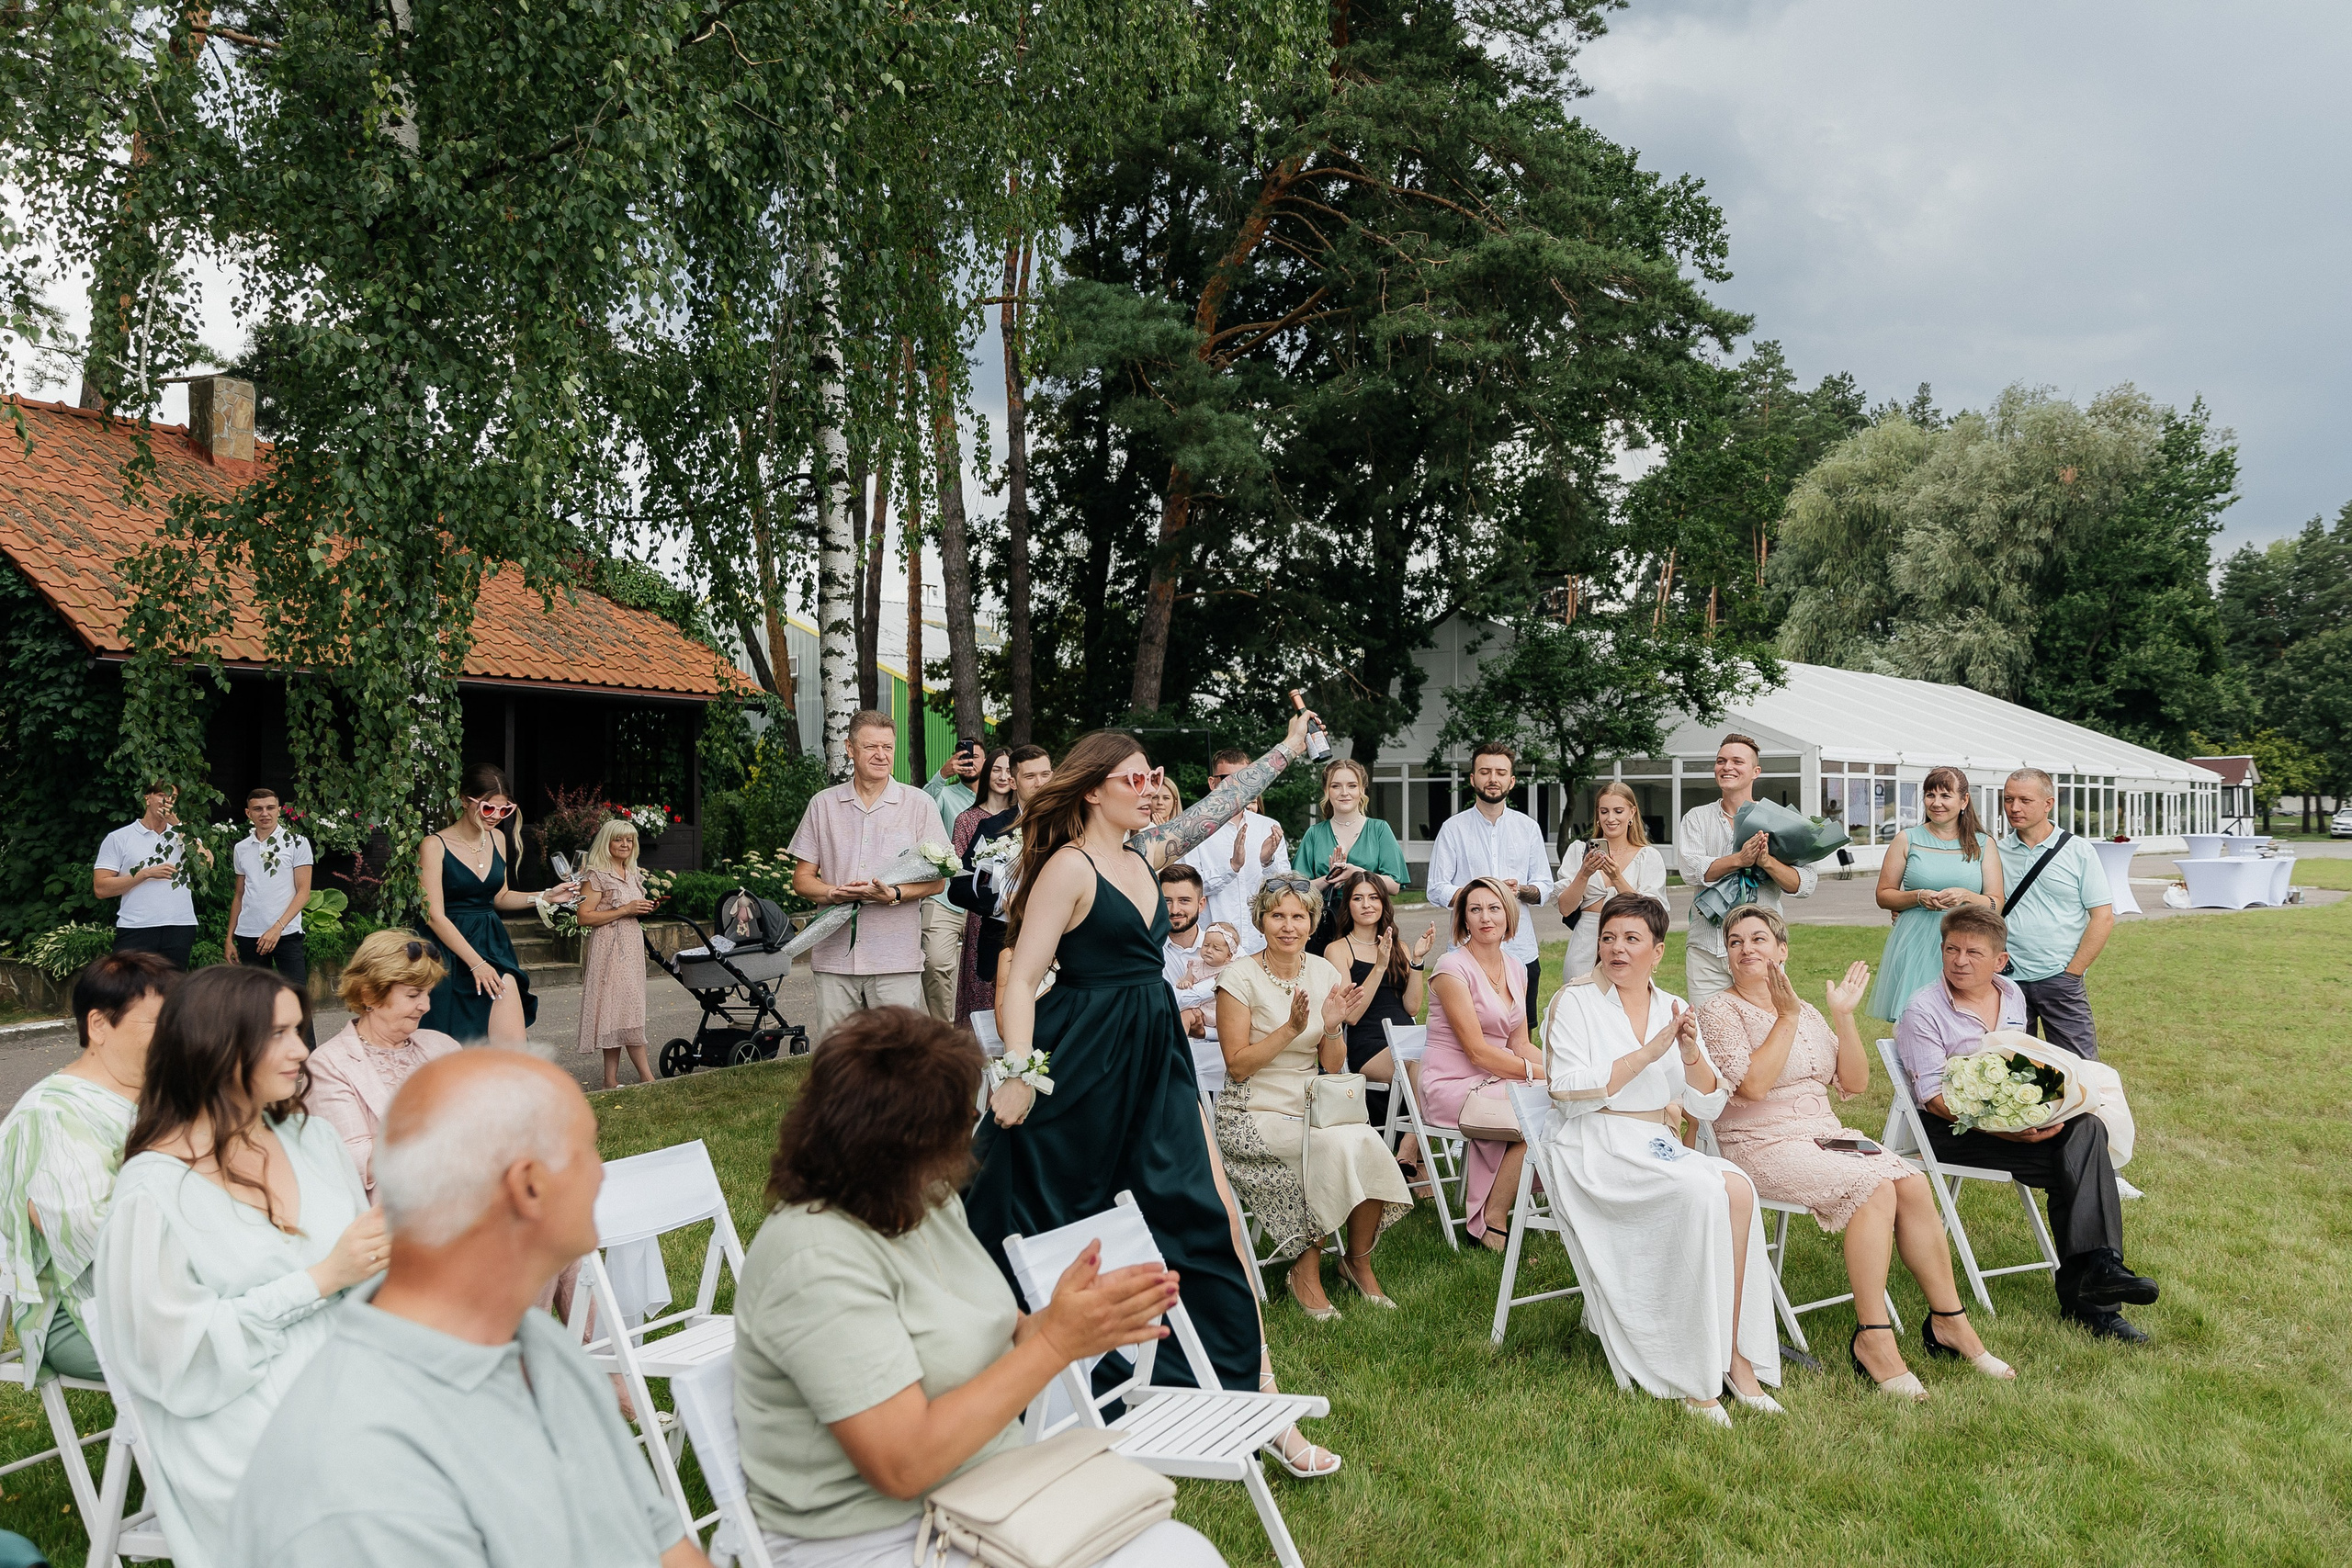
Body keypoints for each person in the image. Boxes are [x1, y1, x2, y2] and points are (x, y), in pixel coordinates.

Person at [966, 713, 1338, 1477]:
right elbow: (1022, 980)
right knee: (1036, 1213)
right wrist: (1019, 1072)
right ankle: (1021, 1389)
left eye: (1154, 776)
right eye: (1135, 778)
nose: (1151, 788)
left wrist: (1286, 747)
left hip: (1152, 1057)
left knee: (1208, 1213)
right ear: (1093, 789)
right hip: (1080, 1063)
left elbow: (1221, 807)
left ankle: (1256, 1396)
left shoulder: (1148, 852)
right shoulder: (1068, 868)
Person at [733, 1009, 1225, 1566]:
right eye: (956, 1120)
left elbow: (1004, 1335)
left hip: (988, 1491)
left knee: (1186, 1553)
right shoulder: (815, 1259)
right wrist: (1055, 1344)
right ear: (895, 1142)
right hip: (870, 1537)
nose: (972, 1126)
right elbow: (903, 1465)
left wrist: (1071, 1318)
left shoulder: (926, 1201)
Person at [227, 1051, 711, 1568]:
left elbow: (661, 1542)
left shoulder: (537, 1344)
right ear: (528, 1186)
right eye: (587, 1150)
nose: (601, 1175)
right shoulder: (359, 1476)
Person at [92, 964, 388, 1568]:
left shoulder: (314, 1141)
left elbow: (374, 1284)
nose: (301, 1050)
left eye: (298, 1030)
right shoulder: (153, 1192)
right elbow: (172, 1359)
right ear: (214, 1045)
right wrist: (319, 1280)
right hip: (238, 1419)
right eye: (277, 1034)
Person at [1697, 906, 2014, 1398]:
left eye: (1758, 939)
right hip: (1759, 1142)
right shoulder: (1718, 1012)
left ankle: (1950, 1320)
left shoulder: (1806, 1010)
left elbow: (1855, 1082)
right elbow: (1753, 1086)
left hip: (1824, 1134)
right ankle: (1874, 1338)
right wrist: (1784, 1017)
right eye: (1735, 942)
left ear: (1782, 951)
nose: (1746, 949)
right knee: (1873, 1188)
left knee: (1910, 1181)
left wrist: (1842, 1017)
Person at [1539, 894, 1779, 1424]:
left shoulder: (1672, 1005)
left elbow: (1706, 1104)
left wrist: (1689, 1054)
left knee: (1738, 1188)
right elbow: (1564, 1089)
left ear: (1658, 950)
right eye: (1608, 938)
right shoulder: (1573, 1002)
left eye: (1632, 939)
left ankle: (1735, 1356)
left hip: (1655, 1141)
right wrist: (1648, 1053)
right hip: (1596, 1145)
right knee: (1700, 1193)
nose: (1617, 949)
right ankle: (1695, 1376)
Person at [1894, 906, 2155, 1342]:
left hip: (2013, 1123)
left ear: (2000, 960)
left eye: (1974, 953)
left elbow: (2025, 1064)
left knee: (2087, 1128)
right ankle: (2097, 1292)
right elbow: (1935, 1100)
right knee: (2077, 1167)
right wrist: (2001, 1129)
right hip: (1951, 1132)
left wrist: (2049, 1106)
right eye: (1952, 949)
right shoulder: (1923, 1010)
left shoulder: (2013, 994)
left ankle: (2100, 1273)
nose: (1960, 961)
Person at [1215, 876, 1412, 1318]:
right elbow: (1238, 1066)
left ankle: (1356, 1261)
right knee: (1325, 1148)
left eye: (1298, 917)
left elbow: (1333, 1064)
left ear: (1312, 922)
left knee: (1367, 1141)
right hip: (1251, 1109)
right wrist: (1290, 1029)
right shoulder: (1238, 977)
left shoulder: (1323, 972)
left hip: (1310, 1103)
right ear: (1261, 921)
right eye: (1277, 916)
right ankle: (1304, 1273)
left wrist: (1333, 1026)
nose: (1288, 926)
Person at [0, 953, 178, 1383]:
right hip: (83, 1311)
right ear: (98, 1025)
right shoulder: (54, 1114)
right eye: (161, 1022)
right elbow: (98, 1239)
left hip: (170, 1294)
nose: (178, 1035)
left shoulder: (160, 1095)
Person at [788, 710, 954, 1043]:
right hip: (835, 958)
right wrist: (833, 893)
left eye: (887, 747)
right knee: (838, 1056)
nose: (881, 755)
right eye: (871, 747)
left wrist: (894, 894)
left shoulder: (919, 804)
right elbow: (802, 879)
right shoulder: (823, 805)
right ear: (850, 748)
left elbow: (938, 881)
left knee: (897, 1057)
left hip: (896, 958)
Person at [1416, 879, 1539, 1250]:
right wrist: (1537, 1073)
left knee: (1560, 1103)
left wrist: (1562, 1069)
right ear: (1464, 920)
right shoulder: (1451, 968)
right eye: (1475, 909)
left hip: (1496, 1078)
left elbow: (1520, 1044)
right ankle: (1492, 1217)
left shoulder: (1516, 968)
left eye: (1494, 908)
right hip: (1451, 1084)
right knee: (1535, 1115)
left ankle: (1503, 1203)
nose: (1486, 917)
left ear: (1509, 916)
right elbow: (1477, 1052)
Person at [421, 762, 571, 1047]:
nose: (496, 817)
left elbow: (500, 897)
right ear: (465, 801)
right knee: (450, 1044)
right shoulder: (434, 845)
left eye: (505, 810)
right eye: (488, 808)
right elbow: (433, 915)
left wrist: (545, 896)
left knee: (512, 1046)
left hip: (491, 944)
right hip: (446, 949)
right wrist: (476, 963)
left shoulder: (498, 838)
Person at [304, 931, 462, 1199]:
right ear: (370, 995)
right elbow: (350, 1160)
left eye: (427, 993)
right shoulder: (330, 1064)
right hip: (392, 1211)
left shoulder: (443, 1046)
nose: (425, 1006)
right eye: (413, 995)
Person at [1678, 734, 1816, 1007]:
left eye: (1737, 761)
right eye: (1721, 761)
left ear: (1756, 771)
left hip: (1761, 951)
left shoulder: (1781, 821)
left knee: (1765, 1025)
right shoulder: (1696, 818)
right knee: (1708, 1026)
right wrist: (1740, 859)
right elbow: (1690, 871)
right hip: (1708, 949)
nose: (1727, 767)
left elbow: (1805, 884)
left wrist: (1767, 862)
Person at [1422, 742, 1552, 1029]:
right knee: (1466, 1032)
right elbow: (1436, 888)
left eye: (1500, 773)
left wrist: (1518, 891)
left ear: (1511, 781)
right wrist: (1478, 894)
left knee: (1520, 1033)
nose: (1493, 779)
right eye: (1485, 772)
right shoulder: (1453, 828)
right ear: (1473, 779)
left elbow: (1544, 886)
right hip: (1466, 951)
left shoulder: (1528, 828)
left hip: (1520, 949)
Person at [1870, 766, 2005, 1022]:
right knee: (1916, 1018)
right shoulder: (1907, 839)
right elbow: (1884, 895)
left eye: (1945, 795)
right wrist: (1918, 897)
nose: (1936, 803)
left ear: (1964, 800)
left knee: (1965, 1017)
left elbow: (1996, 903)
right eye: (1930, 795)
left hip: (1965, 941)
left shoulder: (1983, 844)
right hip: (1916, 942)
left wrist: (1966, 896)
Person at [1996, 768, 2115, 1059]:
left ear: (2048, 804)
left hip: (2060, 980)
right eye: (2008, 799)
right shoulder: (1995, 852)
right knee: (2009, 1071)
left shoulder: (2078, 851)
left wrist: (2072, 973)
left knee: (2079, 1070)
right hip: (2006, 980)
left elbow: (2103, 917)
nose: (2014, 808)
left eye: (2025, 800)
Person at [1320, 870, 1434, 1159]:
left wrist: (1416, 961)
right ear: (1347, 904)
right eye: (1358, 898)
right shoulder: (1337, 950)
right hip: (1368, 1044)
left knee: (1432, 1061)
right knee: (1420, 1065)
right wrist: (1379, 966)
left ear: (1383, 903)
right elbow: (1351, 1015)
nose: (1367, 904)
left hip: (1405, 1037)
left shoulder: (1399, 947)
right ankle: (1410, 1150)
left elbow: (1411, 1007)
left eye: (1373, 898)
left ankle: (1411, 1154)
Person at [1554, 780, 1668, 983]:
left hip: (1628, 942)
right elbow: (1565, 908)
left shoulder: (1648, 856)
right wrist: (1584, 874)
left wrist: (1616, 877)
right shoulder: (1578, 851)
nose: (1610, 818)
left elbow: (1651, 913)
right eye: (1604, 811)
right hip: (1585, 942)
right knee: (1580, 997)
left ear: (1632, 813)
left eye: (1618, 811)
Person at [574, 818, 660, 1088]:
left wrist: (642, 908)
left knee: (619, 1012)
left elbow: (630, 909)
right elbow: (584, 917)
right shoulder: (597, 875)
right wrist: (625, 910)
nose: (625, 844)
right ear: (606, 842)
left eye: (629, 840)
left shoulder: (632, 873)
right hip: (608, 948)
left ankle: (609, 1082)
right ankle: (647, 1078)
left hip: (631, 946)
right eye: (618, 839)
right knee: (624, 1010)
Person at [1183, 748, 1292, 956]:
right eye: (1228, 779)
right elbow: (1189, 890)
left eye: (1244, 777)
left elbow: (1285, 890)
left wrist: (1267, 862)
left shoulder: (1268, 827)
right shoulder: (1194, 830)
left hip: (1261, 945)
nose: (1237, 785)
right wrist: (1231, 867)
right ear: (1212, 783)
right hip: (1213, 951)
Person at [94, 781, 211, 969]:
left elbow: (205, 865)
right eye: (162, 795)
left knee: (173, 984)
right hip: (136, 926)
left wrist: (178, 825)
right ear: (147, 798)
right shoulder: (119, 838)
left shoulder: (183, 834)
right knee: (129, 983)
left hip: (179, 926)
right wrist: (145, 874)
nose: (168, 801)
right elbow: (101, 888)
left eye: (173, 798)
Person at [1295, 760, 1408, 948]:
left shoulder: (1379, 829)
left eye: (1352, 786)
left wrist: (1357, 873)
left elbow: (1394, 885)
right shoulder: (1314, 834)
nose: (1344, 792)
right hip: (1325, 927)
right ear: (1326, 790)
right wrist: (1330, 878)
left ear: (1362, 789)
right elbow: (1298, 888)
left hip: (1370, 925)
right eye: (1336, 786)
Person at [224, 786, 315, 1006]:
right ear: (248, 813)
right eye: (258, 809)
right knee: (254, 1004)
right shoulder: (241, 848)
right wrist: (229, 938)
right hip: (249, 935)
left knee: (296, 1002)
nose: (264, 813)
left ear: (279, 810)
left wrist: (277, 928)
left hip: (286, 933)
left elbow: (304, 892)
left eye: (270, 808)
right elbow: (239, 895)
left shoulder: (297, 843)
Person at [949, 746, 1018, 1024]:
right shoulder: (968, 820)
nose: (1003, 777)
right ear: (987, 772)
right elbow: (960, 874)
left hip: (1019, 915)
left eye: (1008, 771)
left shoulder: (1023, 817)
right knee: (983, 982)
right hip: (983, 911)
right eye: (997, 769)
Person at [921, 740, 988, 1022]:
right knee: (934, 963)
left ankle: (985, 1032)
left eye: (975, 756)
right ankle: (944, 1033)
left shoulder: (1001, 799)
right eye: (962, 757)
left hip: (987, 901)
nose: (968, 761)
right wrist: (942, 775)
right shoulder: (944, 796)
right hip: (944, 897)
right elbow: (919, 807)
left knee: (987, 972)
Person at [1159, 863, 1223, 1043]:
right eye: (1167, 901)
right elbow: (1158, 1005)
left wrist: (1204, 1032)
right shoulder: (1146, 952)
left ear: (1201, 904)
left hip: (1217, 1056)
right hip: (1167, 1054)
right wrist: (1218, 983)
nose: (1174, 910)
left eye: (1184, 901)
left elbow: (1246, 1014)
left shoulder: (1227, 946)